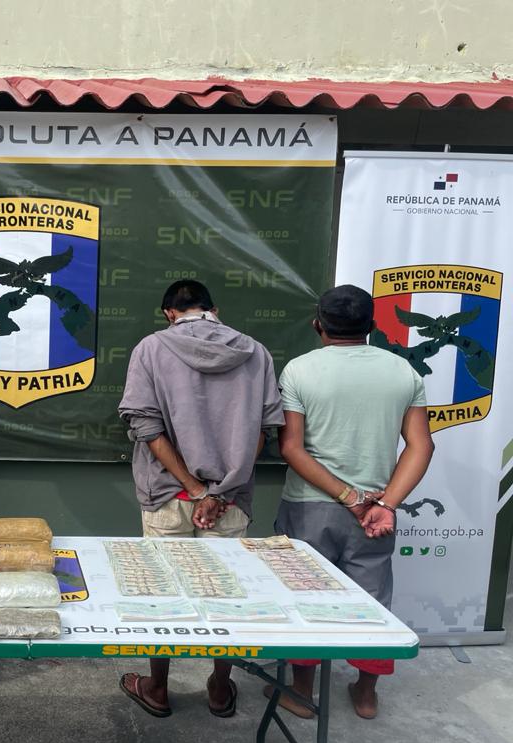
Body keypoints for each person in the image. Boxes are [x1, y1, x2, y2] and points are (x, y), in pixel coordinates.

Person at [117, 279, 284, 718]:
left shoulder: (150, 349)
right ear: (214, 309)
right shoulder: (256, 352)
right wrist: (220, 492)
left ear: (170, 313)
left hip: (168, 495)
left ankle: (156, 687)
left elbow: (145, 427)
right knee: (227, 596)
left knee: (161, 595)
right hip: (230, 502)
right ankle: (219, 686)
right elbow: (262, 433)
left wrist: (194, 489)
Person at [273, 284, 434, 719]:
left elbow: (291, 448)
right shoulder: (404, 372)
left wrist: (348, 497)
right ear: (373, 326)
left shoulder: (299, 371)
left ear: (317, 324)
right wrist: (386, 504)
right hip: (376, 513)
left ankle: (303, 693)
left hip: (310, 504)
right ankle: (365, 695)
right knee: (373, 602)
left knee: (304, 596)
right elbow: (420, 447)